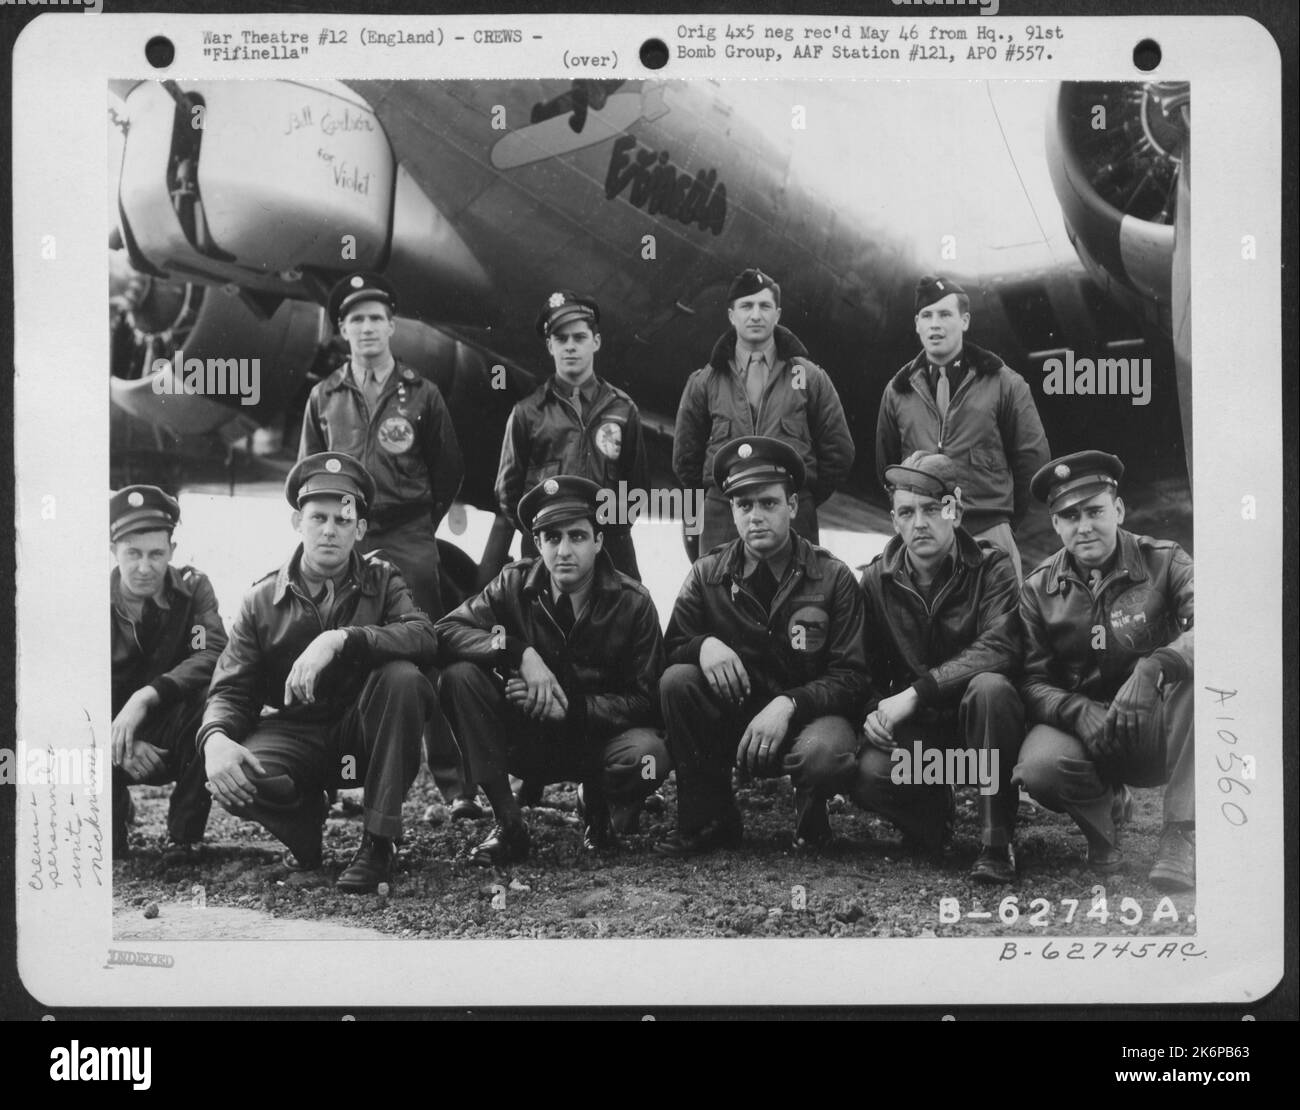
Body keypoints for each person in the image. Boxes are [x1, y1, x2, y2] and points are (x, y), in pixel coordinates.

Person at [199, 453, 437, 893]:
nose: (330, 530)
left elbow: (423, 635)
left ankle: (379, 842)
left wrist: (342, 638)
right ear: (297, 522)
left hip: (363, 737)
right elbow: (231, 689)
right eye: (318, 517)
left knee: (403, 678)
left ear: (360, 529)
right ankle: (302, 823)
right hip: (298, 734)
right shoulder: (260, 600)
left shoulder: (383, 581)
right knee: (235, 772)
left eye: (343, 520)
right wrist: (215, 739)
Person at [300, 271, 476, 818]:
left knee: (427, 648)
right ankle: (331, 779)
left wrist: (419, 524)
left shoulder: (422, 393)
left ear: (393, 326)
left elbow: (448, 469)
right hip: (344, 537)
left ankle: (457, 787)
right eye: (358, 319)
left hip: (408, 534)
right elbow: (308, 474)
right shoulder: (324, 396)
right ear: (342, 330)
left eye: (377, 318)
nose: (368, 328)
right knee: (333, 646)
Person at [436, 476, 666, 863]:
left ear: (598, 541)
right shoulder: (512, 583)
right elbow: (445, 631)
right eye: (552, 538)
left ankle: (599, 809)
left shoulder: (634, 603)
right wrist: (516, 651)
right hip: (527, 738)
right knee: (459, 677)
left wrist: (572, 707)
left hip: (595, 741)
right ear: (538, 543)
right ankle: (508, 824)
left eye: (577, 537)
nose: (564, 551)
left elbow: (648, 699)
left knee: (650, 755)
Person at [656, 437, 868, 856]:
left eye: (768, 504)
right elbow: (669, 651)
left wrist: (789, 704)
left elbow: (854, 677)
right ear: (732, 511)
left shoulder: (833, 577)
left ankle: (812, 817)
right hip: (735, 724)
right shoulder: (706, 574)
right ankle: (709, 818)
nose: (755, 517)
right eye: (743, 505)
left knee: (823, 754)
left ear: (792, 507)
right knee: (677, 681)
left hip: (805, 725)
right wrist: (702, 646)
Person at [1012, 451, 1194, 891]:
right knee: (1037, 767)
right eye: (1069, 516)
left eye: (1094, 511)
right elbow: (1030, 679)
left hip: (1156, 728)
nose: (1084, 526)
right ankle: (1102, 824)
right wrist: (1075, 710)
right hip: (1091, 733)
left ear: (1119, 510)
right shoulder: (1038, 589)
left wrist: (1156, 666)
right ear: (1055, 524)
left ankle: (1182, 831)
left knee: (1201, 682)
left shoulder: (1164, 561)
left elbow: (1222, 625)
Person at [845, 452, 1023, 883]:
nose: (919, 523)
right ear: (894, 520)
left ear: (955, 511)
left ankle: (996, 842)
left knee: (990, 687)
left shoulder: (993, 566)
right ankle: (931, 818)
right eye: (907, 512)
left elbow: (1000, 645)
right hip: (924, 734)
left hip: (981, 726)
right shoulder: (876, 580)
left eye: (932, 509)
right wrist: (873, 711)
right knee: (868, 773)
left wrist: (916, 692)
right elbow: (862, 667)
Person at [875, 275, 1050, 582]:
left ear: (965, 320)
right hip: (926, 539)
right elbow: (886, 466)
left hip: (988, 535)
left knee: (1001, 626)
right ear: (917, 324)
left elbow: (1032, 462)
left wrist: (999, 520)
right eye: (927, 316)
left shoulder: (1005, 383)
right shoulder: (897, 391)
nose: (935, 324)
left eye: (945, 314)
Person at [673, 267, 854, 557]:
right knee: (721, 599)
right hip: (725, 520)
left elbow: (839, 452)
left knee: (797, 598)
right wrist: (722, 499)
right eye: (746, 306)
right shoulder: (704, 383)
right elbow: (685, 460)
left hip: (792, 518)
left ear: (778, 314)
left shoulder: (810, 378)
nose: (755, 315)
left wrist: (800, 498)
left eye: (764, 306)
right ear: (732, 315)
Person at [491, 291, 648, 581]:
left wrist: (602, 533)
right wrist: (546, 533)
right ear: (550, 346)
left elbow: (636, 489)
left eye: (579, 338)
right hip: (546, 557)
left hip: (610, 552)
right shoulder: (527, 413)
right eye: (561, 340)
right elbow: (508, 493)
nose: (570, 347)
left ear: (596, 342)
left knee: (625, 622)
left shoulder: (623, 410)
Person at [110, 485, 227, 860]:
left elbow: (208, 650)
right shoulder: (87, 603)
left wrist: (147, 695)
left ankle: (184, 836)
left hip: (170, 729)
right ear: (113, 551)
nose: (144, 567)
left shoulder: (191, 592)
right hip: (105, 733)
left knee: (210, 703)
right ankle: (110, 822)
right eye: (133, 554)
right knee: (106, 855)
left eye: (156, 554)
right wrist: (113, 744)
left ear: (172, 552)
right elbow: (67, 692)